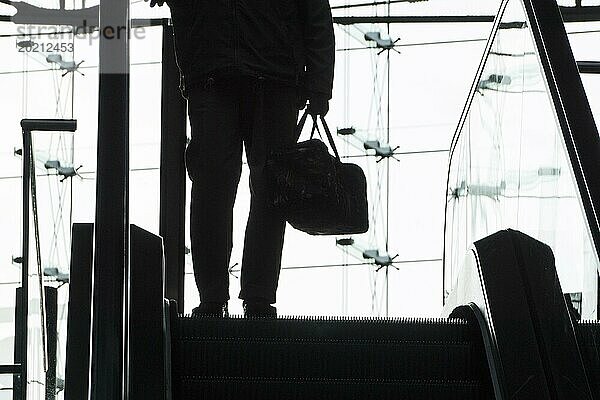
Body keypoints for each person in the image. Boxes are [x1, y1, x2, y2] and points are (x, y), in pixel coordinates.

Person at [147, 0, 335, 317]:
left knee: (218, 188)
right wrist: (318, 85)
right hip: (265, 73)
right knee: (264, 188)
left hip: (223, 71)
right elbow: (316, 15)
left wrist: (319, 85)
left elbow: (315, 12)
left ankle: (218, 298)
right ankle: (251, 298)